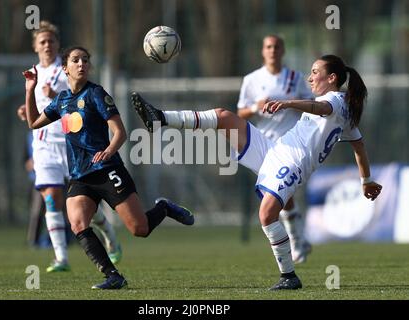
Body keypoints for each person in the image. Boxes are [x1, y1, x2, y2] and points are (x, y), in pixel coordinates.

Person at [131, 54, 383, 290]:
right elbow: (359, 146)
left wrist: (287, 103)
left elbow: (321, 109)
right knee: (223, 117)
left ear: (332, 79)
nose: (309, 77)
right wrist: (366, 180)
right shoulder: (346, 111)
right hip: (274, 150)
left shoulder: (335, 101)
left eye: (315, 72)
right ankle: (160, 118)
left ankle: (288, 276)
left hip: (293, 163)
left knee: (266, 215)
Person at [23, 46, 194, 290]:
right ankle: (113, 275)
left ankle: (163, 208)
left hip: (107, 170)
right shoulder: (61, 100)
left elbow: (120, 132)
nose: (82, 64)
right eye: (75, 60)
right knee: (78, 223)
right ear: (65, 68)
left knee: (139, 229)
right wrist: (30, 90)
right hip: (81, 176)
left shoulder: (96, 94)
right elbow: (33, 123)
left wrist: (108, 151)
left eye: (85, 60)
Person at [22, 21, 122, 272]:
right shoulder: (33, 73)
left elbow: (78, 98)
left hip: (73, 145)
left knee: (84, 203)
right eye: (42, 41)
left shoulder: (67, 67)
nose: (47, 45)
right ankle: (61, 257)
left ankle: (108, 233)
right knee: (51, 198)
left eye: (51, 41)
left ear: (57, 46)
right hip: (44, 146)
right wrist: (25, 110)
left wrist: (55, 92)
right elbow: (36, 116)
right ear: (35, 47)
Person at [237, 35, 313, 263]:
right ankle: (299, 240)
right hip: (265, 145)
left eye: (277, 46)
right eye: (269, 46)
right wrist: (255, 107)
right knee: (282, 196)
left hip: (289, 145)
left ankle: (296, 242)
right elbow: (240, 112)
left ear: (283, 50)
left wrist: (291, 104)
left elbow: (311, 105)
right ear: (263, 51)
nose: (273, 50)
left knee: (280, 193)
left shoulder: (295, 78)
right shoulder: (252, 79)